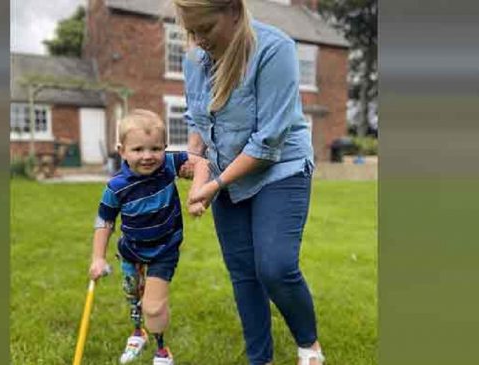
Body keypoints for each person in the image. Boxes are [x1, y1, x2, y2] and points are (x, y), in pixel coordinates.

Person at [173, 1, 325, 364]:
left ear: (234, 12)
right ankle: (261, 360)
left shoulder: (275, 50)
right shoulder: (194, 60)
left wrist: (214, 184)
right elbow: (195, 118)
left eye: (205, 29)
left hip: (280, 167)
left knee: (274, 267)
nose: (198, 40)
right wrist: (195, 160)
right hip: (228, 172)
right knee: (243, 274)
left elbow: (268, 143)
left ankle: (309, 347)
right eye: (191, 32)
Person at [88, 109, 207, 365]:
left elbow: (201, 163)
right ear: (122, 151)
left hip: (164, 249)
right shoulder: (116, 187)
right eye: (138, 149)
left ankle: (162, 351)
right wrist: (98, 258)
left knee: (153, 306)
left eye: (155, 148)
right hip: (131, 250)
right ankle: (137, 333)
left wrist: (197, 194)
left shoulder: (168, 166)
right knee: (133, 296)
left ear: (165, 147)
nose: (147, 156)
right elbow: (105, 221)